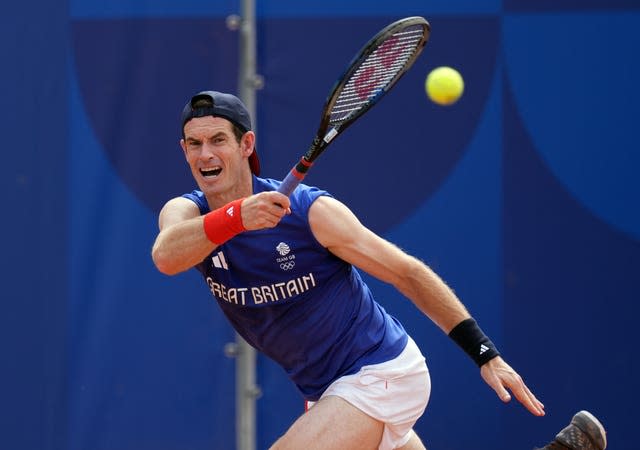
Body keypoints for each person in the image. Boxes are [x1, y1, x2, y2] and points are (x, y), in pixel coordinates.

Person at [151, 90, 603, 450]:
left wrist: (485, 354)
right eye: (194, 144)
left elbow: (407, 272)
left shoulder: (312, 212)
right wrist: (238, 218)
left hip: (378, 371)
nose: (205, 155)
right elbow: (167, 256)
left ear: (246, 145)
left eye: (218, 141)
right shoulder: (185, 213)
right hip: (328, 391)